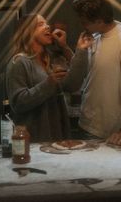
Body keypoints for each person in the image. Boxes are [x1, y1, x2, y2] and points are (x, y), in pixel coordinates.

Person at [6, 13, 92, 142]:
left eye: (47, 24)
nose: (48, 27)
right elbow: (18, 103)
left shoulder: (49, 60)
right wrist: (49, 83)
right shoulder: (19, 62)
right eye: (41, 24)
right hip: (33, 138)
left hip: (57, 134)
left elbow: (72, 85)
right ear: (27, 31)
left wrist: (80, 50)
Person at [72, 0, 121, 146]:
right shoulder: (97, 35)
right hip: (86, 125)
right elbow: (93, 74)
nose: (82, 25)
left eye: (84, 22)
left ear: (99, 21)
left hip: (112, 133)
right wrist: (76, 49)